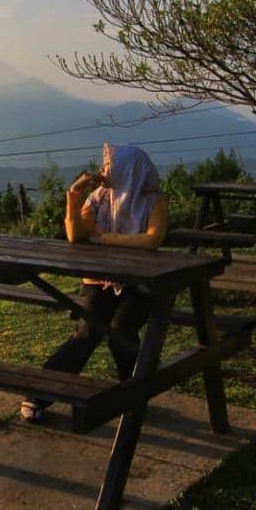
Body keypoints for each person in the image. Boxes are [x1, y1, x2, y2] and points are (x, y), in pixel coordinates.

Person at [20, 142, 168, 422]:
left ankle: (134, 393)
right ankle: (39, 393)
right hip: (98, 279)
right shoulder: (99, 197)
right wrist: (74, 195)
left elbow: (152, 240)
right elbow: (76, 235)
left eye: (111, 165)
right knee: (88, 332)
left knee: (121, 330)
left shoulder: (153, 201)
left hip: (140, 283)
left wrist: (102, 239)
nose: (104, 170)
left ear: (130, 168)